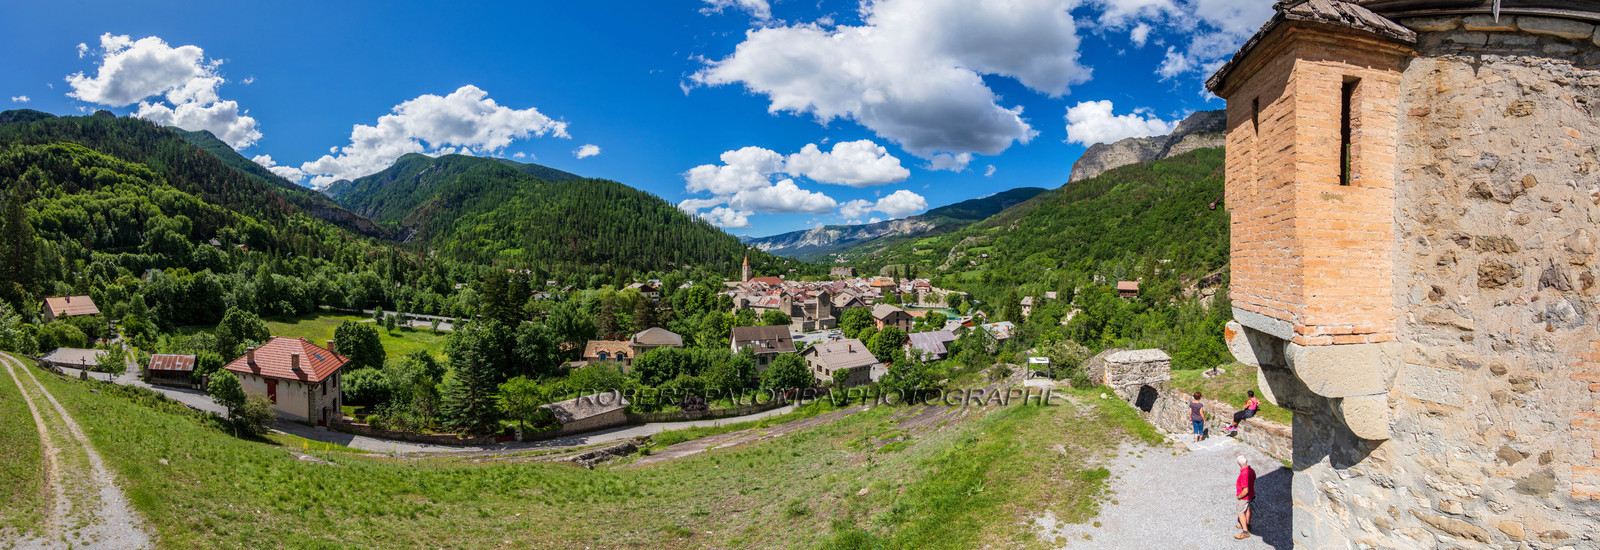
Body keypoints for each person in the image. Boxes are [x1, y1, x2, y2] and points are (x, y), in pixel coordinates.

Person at [1235, 455, 1256, 540]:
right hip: (1251, 494)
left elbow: (1245, 490)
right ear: (1246, 461)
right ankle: (1247, 524)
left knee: (1240, 512)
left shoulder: (1244, 474)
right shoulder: (1251, 470)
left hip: (1245, 497)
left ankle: (1245, 532)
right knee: (1248, 509)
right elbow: (1254, 479)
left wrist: (1239, 496)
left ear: (1237, 463)